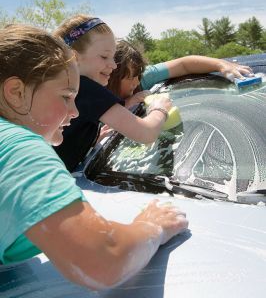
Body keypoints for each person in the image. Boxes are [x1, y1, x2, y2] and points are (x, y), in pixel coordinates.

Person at [0, 24, 188, 290]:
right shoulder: (17, 147)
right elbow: (104, 260)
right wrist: (152, 226)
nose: (75, 111)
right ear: (16, 93)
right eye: (66, 97)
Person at [53, 15, 173, 172]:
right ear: (75, 57)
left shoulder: (63, 86)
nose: (113, 65)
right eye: (104, 56)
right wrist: (160, 109)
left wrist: (91, 139)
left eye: (113, 57)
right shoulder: (87, 89)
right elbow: (146, 133)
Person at [107, 40, 254, 107]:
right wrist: (127, 104)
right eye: (130, 77)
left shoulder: (144, 78)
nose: (137, 82)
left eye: (138, 75)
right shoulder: (94, 93)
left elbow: (184, 65)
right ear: (110, 75)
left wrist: (221, 64)